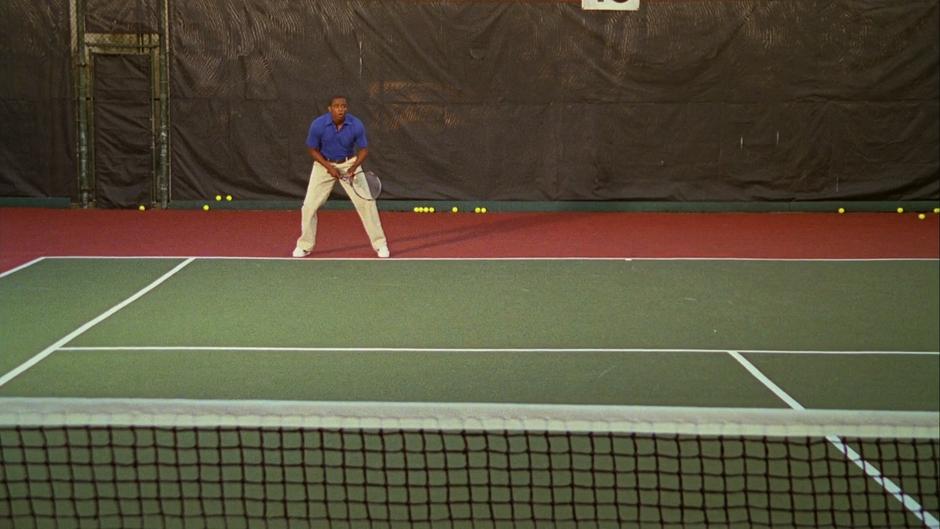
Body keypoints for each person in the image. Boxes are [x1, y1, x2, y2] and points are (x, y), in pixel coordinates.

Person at [293, 95, 389, 258]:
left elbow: (364, 149)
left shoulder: (356, 124)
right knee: (309, 206)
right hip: (323, 164)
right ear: (330, 109)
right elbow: (312, 150)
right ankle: (305, 246)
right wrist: (329, 167)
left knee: (367, 203)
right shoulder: (318, 125)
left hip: (349, 163)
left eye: (343, 106)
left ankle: (380, 245)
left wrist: (352, 168)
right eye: (336, 106)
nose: (340, 109)